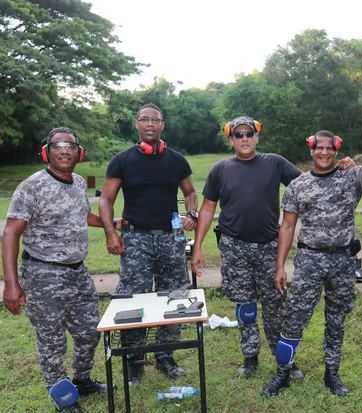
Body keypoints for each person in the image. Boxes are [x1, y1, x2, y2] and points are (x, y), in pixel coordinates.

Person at [262, 103, 362, 397]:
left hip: (342, 261)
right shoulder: (298, 186)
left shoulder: (353, 177)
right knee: (295, 318)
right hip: (309, 260)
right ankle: (283, 372)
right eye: (318, 148)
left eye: (329, 148)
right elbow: (287, 227)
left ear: (336, 150)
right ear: (311, 150)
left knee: (336, 320)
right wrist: (279, 265)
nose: (324, 153)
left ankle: (331, 374)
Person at [2, 128, 108, 413]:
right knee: (52, 341)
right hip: (43, 275)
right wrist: (11, 285)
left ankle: (82, 380)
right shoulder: (31, 186)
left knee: (89, 332)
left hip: (78, 273)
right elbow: (10, 233)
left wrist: (113, 223)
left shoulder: (78, 182)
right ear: (47, 152)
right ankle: (63, 398)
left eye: (70, 146)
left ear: (79, 152)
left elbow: (83, 215)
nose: (64, 150)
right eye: (57, 146)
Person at [191, 116, 303, 379]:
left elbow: (306, 184)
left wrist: (336, 168)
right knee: (246, 306)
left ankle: (284, 359)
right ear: (231, 139)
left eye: (249, 134)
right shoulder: (220, 169)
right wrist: (197, 247)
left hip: (268, 247)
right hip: (234, 247)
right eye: (238, 135)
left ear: (257, 137)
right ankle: (250, 358)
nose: (244, 139)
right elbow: (208, 208)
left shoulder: (274, 163)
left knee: (275, 306)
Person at [99, 103, 198, 385]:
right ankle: (135, 362)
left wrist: (190, 214)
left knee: (174, 296)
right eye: (145, 120)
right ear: (137, 124)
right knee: (133, 299)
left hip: (171, 238)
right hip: (136, 238)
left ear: (163, 124)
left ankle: (166, 357)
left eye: (155, 120)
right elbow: (106, 199)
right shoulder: (122, 160)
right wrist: (110, 233)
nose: (150, 124)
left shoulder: (177, 160)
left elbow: (190, 192)